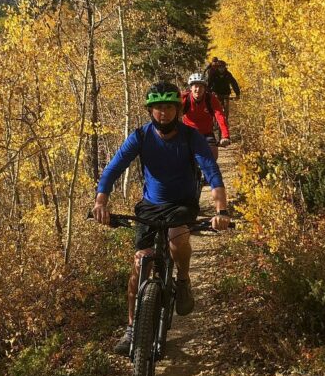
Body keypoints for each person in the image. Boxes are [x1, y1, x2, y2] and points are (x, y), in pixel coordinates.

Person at [92, 81, 231, 356]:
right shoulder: (141, 137)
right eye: (157, 108)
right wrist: (101, 201)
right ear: (150, 111)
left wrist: (221, 210)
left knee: (177, 239)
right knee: (140, 262)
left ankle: (183, 280)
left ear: (177, 109)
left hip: (181, 204)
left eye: (168, 107)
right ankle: (132, 328)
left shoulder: (191, 137)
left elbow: (212, 172)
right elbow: (114, 167)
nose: (163, 113)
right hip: (151, 206)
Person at [181, 72, 230, 161]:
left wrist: (225, 136)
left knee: (212, 158)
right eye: (195, 86)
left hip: (206, 133)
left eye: (201, 86)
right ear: (190, 88)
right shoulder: (184, 99)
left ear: (205, 88)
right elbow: (174, 115)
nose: (198, 89)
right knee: (185, 160)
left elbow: (220, 117)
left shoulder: (210, 99)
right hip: (188, 133)